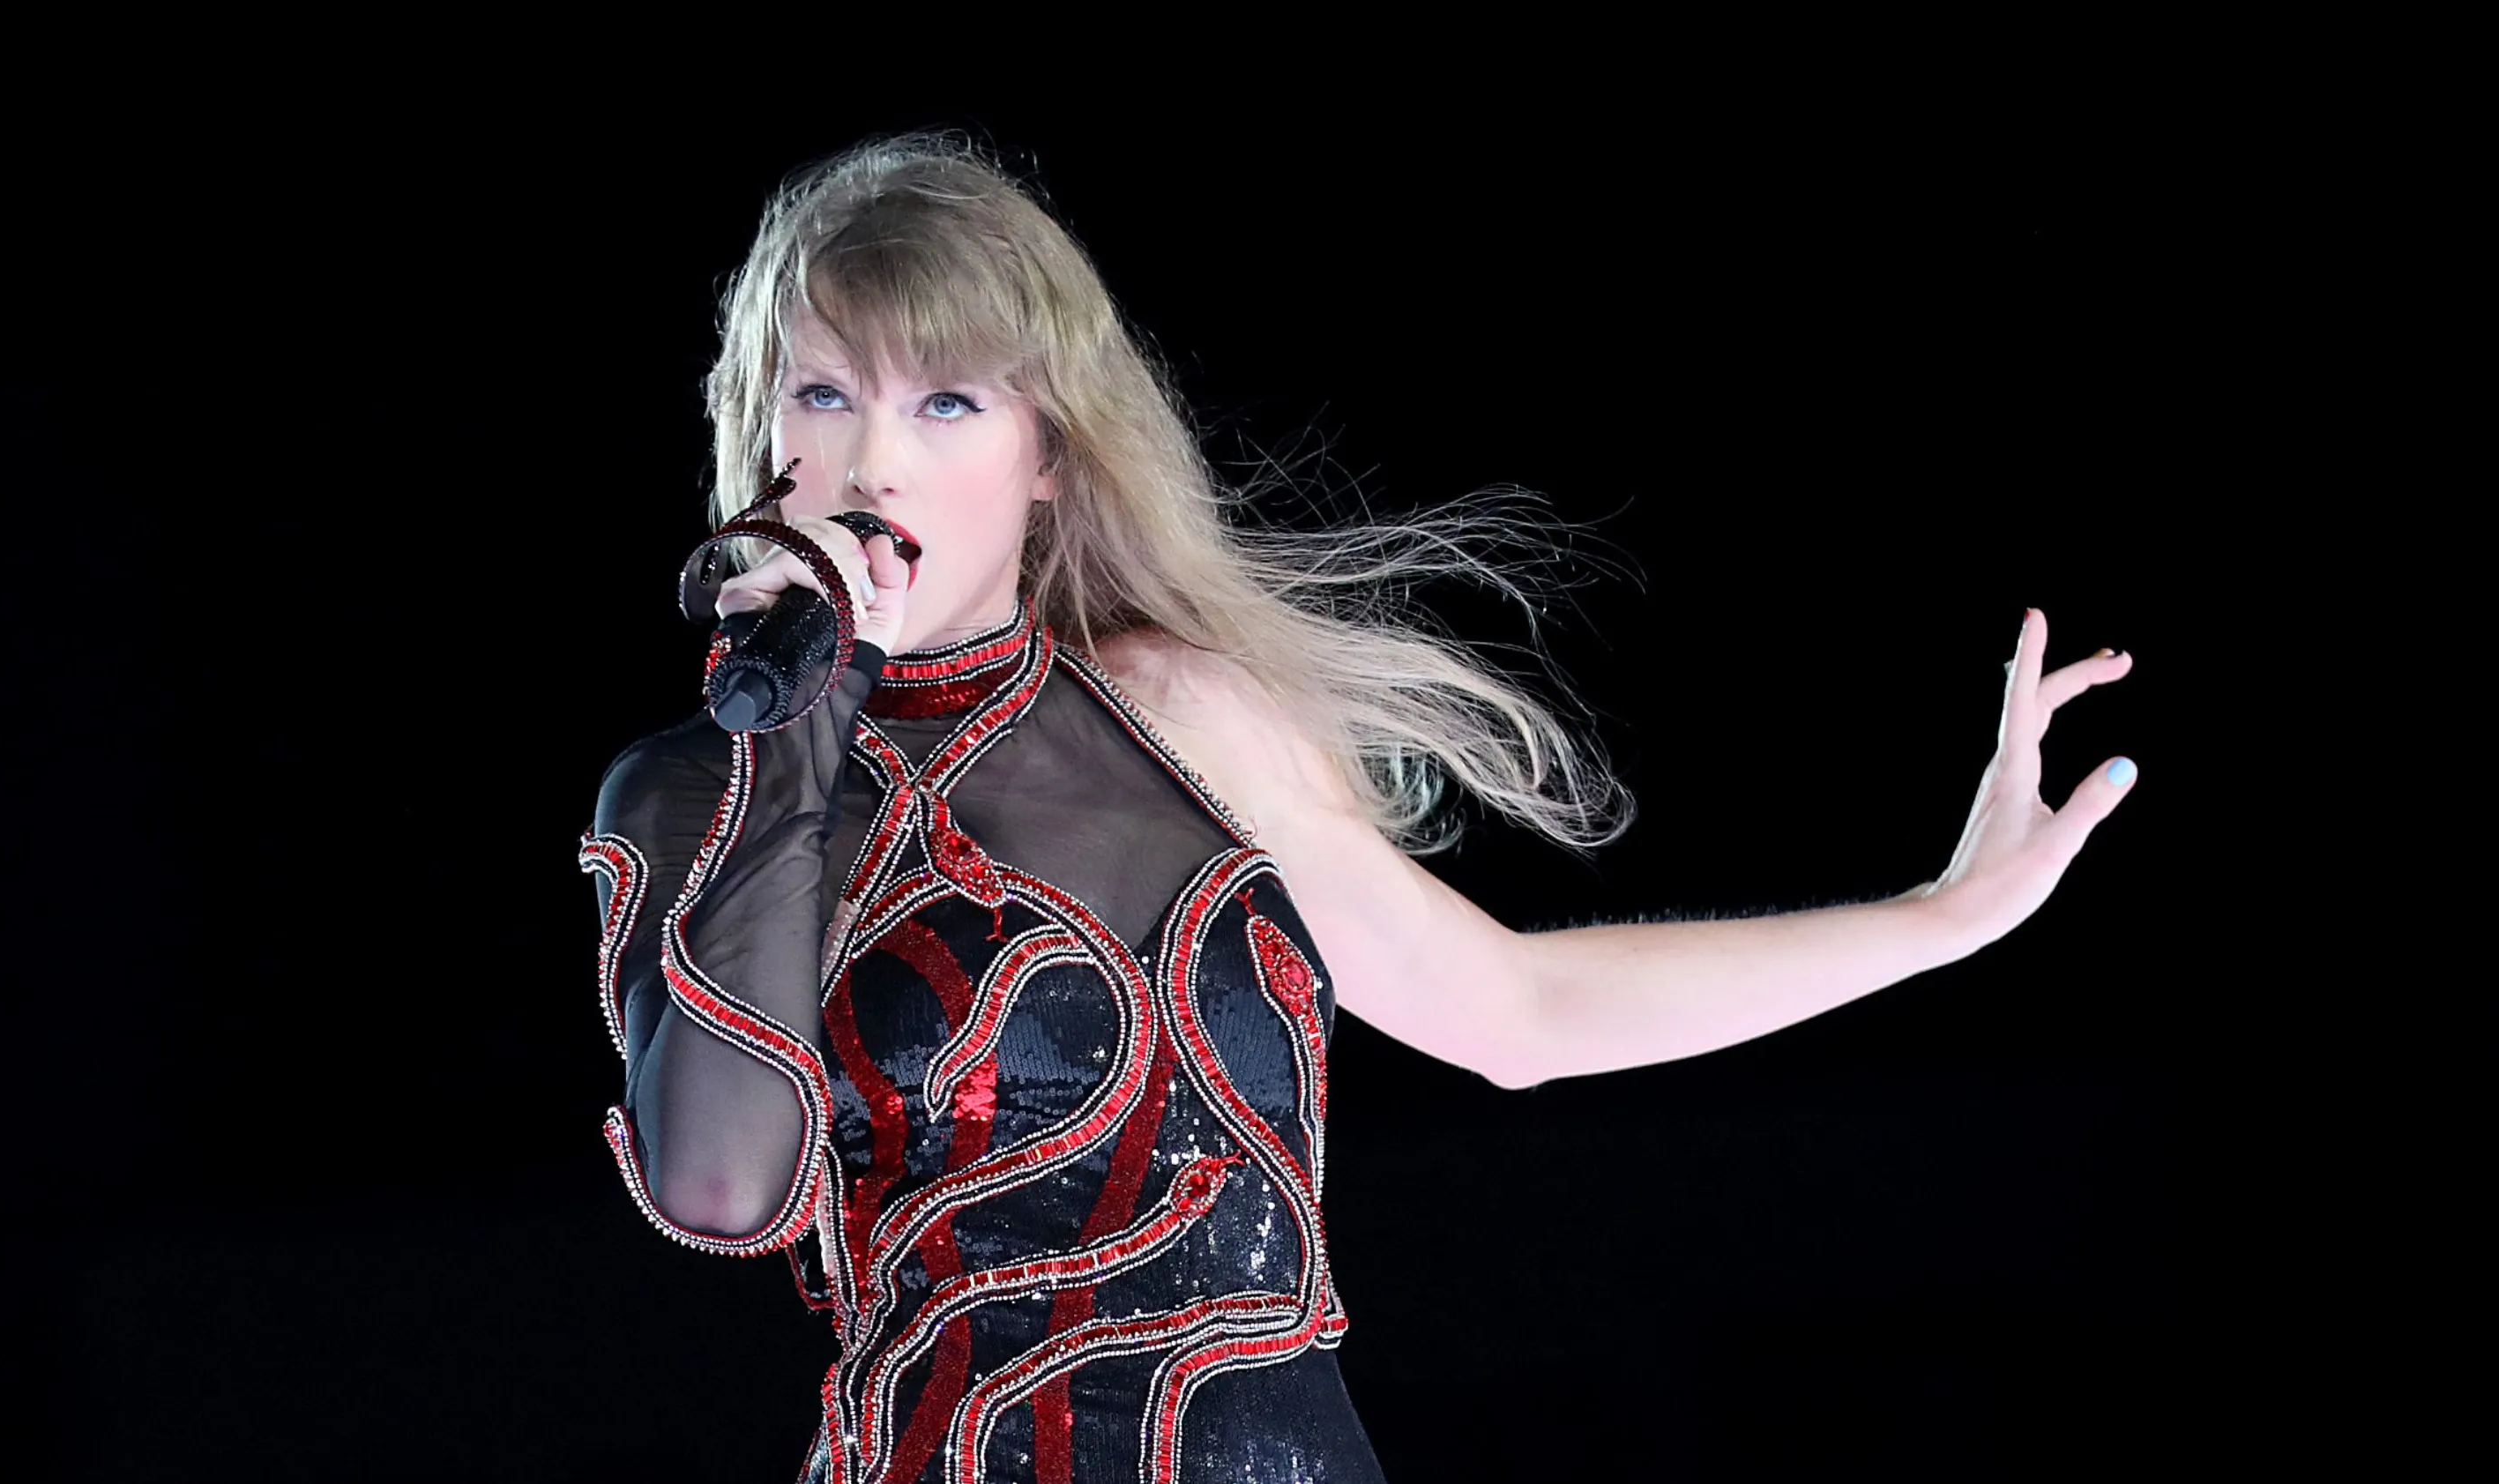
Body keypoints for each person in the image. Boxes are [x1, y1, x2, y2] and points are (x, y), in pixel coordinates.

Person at [578, 133, 2136, 1484]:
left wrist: (1945, 918)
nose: (872, 464)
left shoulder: (1177, 716)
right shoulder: (691, 792)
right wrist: (791, 721)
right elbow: (724, 1181)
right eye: (830, 394)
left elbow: (1516, 1012)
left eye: (949, 407)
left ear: (1049, 455)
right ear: (765, 434)